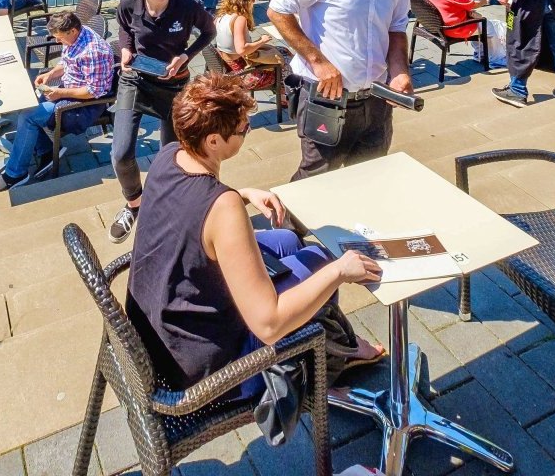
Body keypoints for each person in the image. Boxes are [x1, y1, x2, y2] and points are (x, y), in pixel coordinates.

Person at [126, 73, 385, 399]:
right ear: (213, 142)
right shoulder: (222, 205)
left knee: (288, 241)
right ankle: (319, 378)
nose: (246, 133)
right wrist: (340, 271)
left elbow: (191, 205)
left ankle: (336, 345)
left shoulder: (171, 154)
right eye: (242, 129)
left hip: (163, 323)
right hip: (207, 364)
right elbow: (269, 324)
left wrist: (245, 192)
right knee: (320, 263)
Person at [268, 0, 413, 178]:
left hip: (376, 100)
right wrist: (318, 62)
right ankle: (288, 222)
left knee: (368, 177)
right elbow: (278, 11)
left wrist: (399, 72)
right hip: (325, 98)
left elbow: (396, 29)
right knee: (316, 178)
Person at [109, 0, 217, 243]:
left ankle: (167, 204)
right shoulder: (129, 5)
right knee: (120, 153)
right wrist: (126, 50)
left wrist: (186, 56)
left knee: (171, 156)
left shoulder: (186, 6)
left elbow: (209, 32)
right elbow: (123, 29)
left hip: (174, 85)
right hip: (135, 81)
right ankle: (135, 204)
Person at [0, 11, 114, 190]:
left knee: (28, 116)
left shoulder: (94, 51)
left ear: (72, 31)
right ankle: (46, 150)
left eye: (59, 38)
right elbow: (66, 62)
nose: (57, 42)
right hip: (68, 91)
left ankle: (15, 174)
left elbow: (94, 92)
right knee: (25, 103)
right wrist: (50, 74)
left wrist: (60, 93)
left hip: (82, 107)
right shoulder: (77, 34)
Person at [214, 0, 284, 91]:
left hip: (228, 66)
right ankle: (284, 96)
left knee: (282, 50)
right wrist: (262, 40)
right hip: (242, 74)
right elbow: (241, 49)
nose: (254, 2)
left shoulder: (221, 16)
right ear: (244, 2)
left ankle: (283, 94)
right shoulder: (239, 19)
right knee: (286, 61)